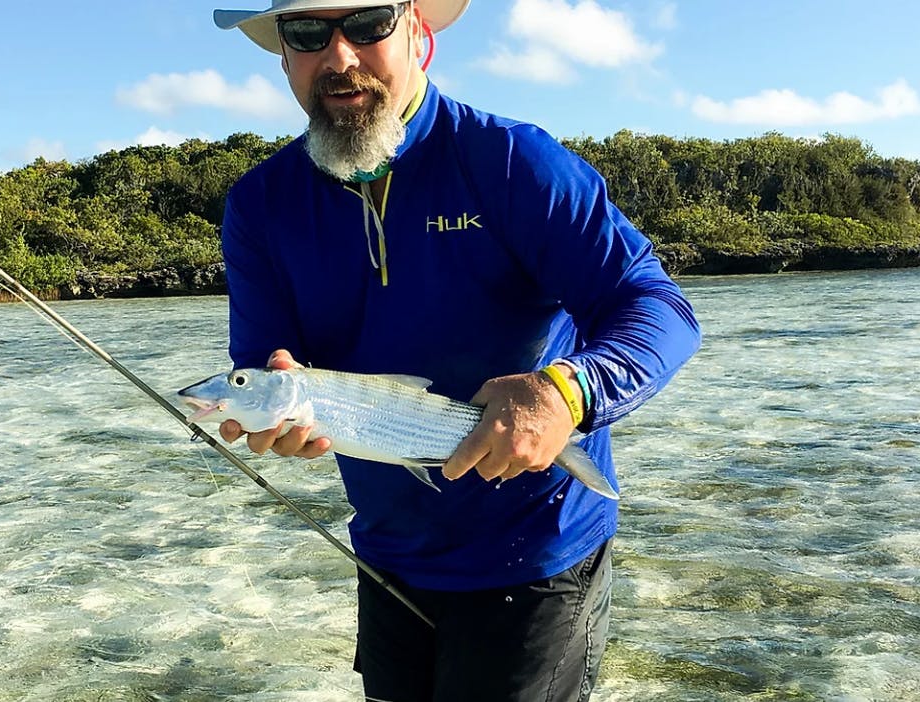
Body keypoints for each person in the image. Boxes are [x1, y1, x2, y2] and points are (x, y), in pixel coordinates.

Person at [211, 1, 701, 700]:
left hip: (535, 555)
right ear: (283, 54)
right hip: (387, 550)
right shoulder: (260, 204)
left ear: (418, 30)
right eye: (309, 32)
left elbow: (658, 308)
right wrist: (272, 419)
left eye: (368, 23)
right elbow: (266, 364)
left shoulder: (509, 163)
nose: (340, 57)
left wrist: (566, 392)